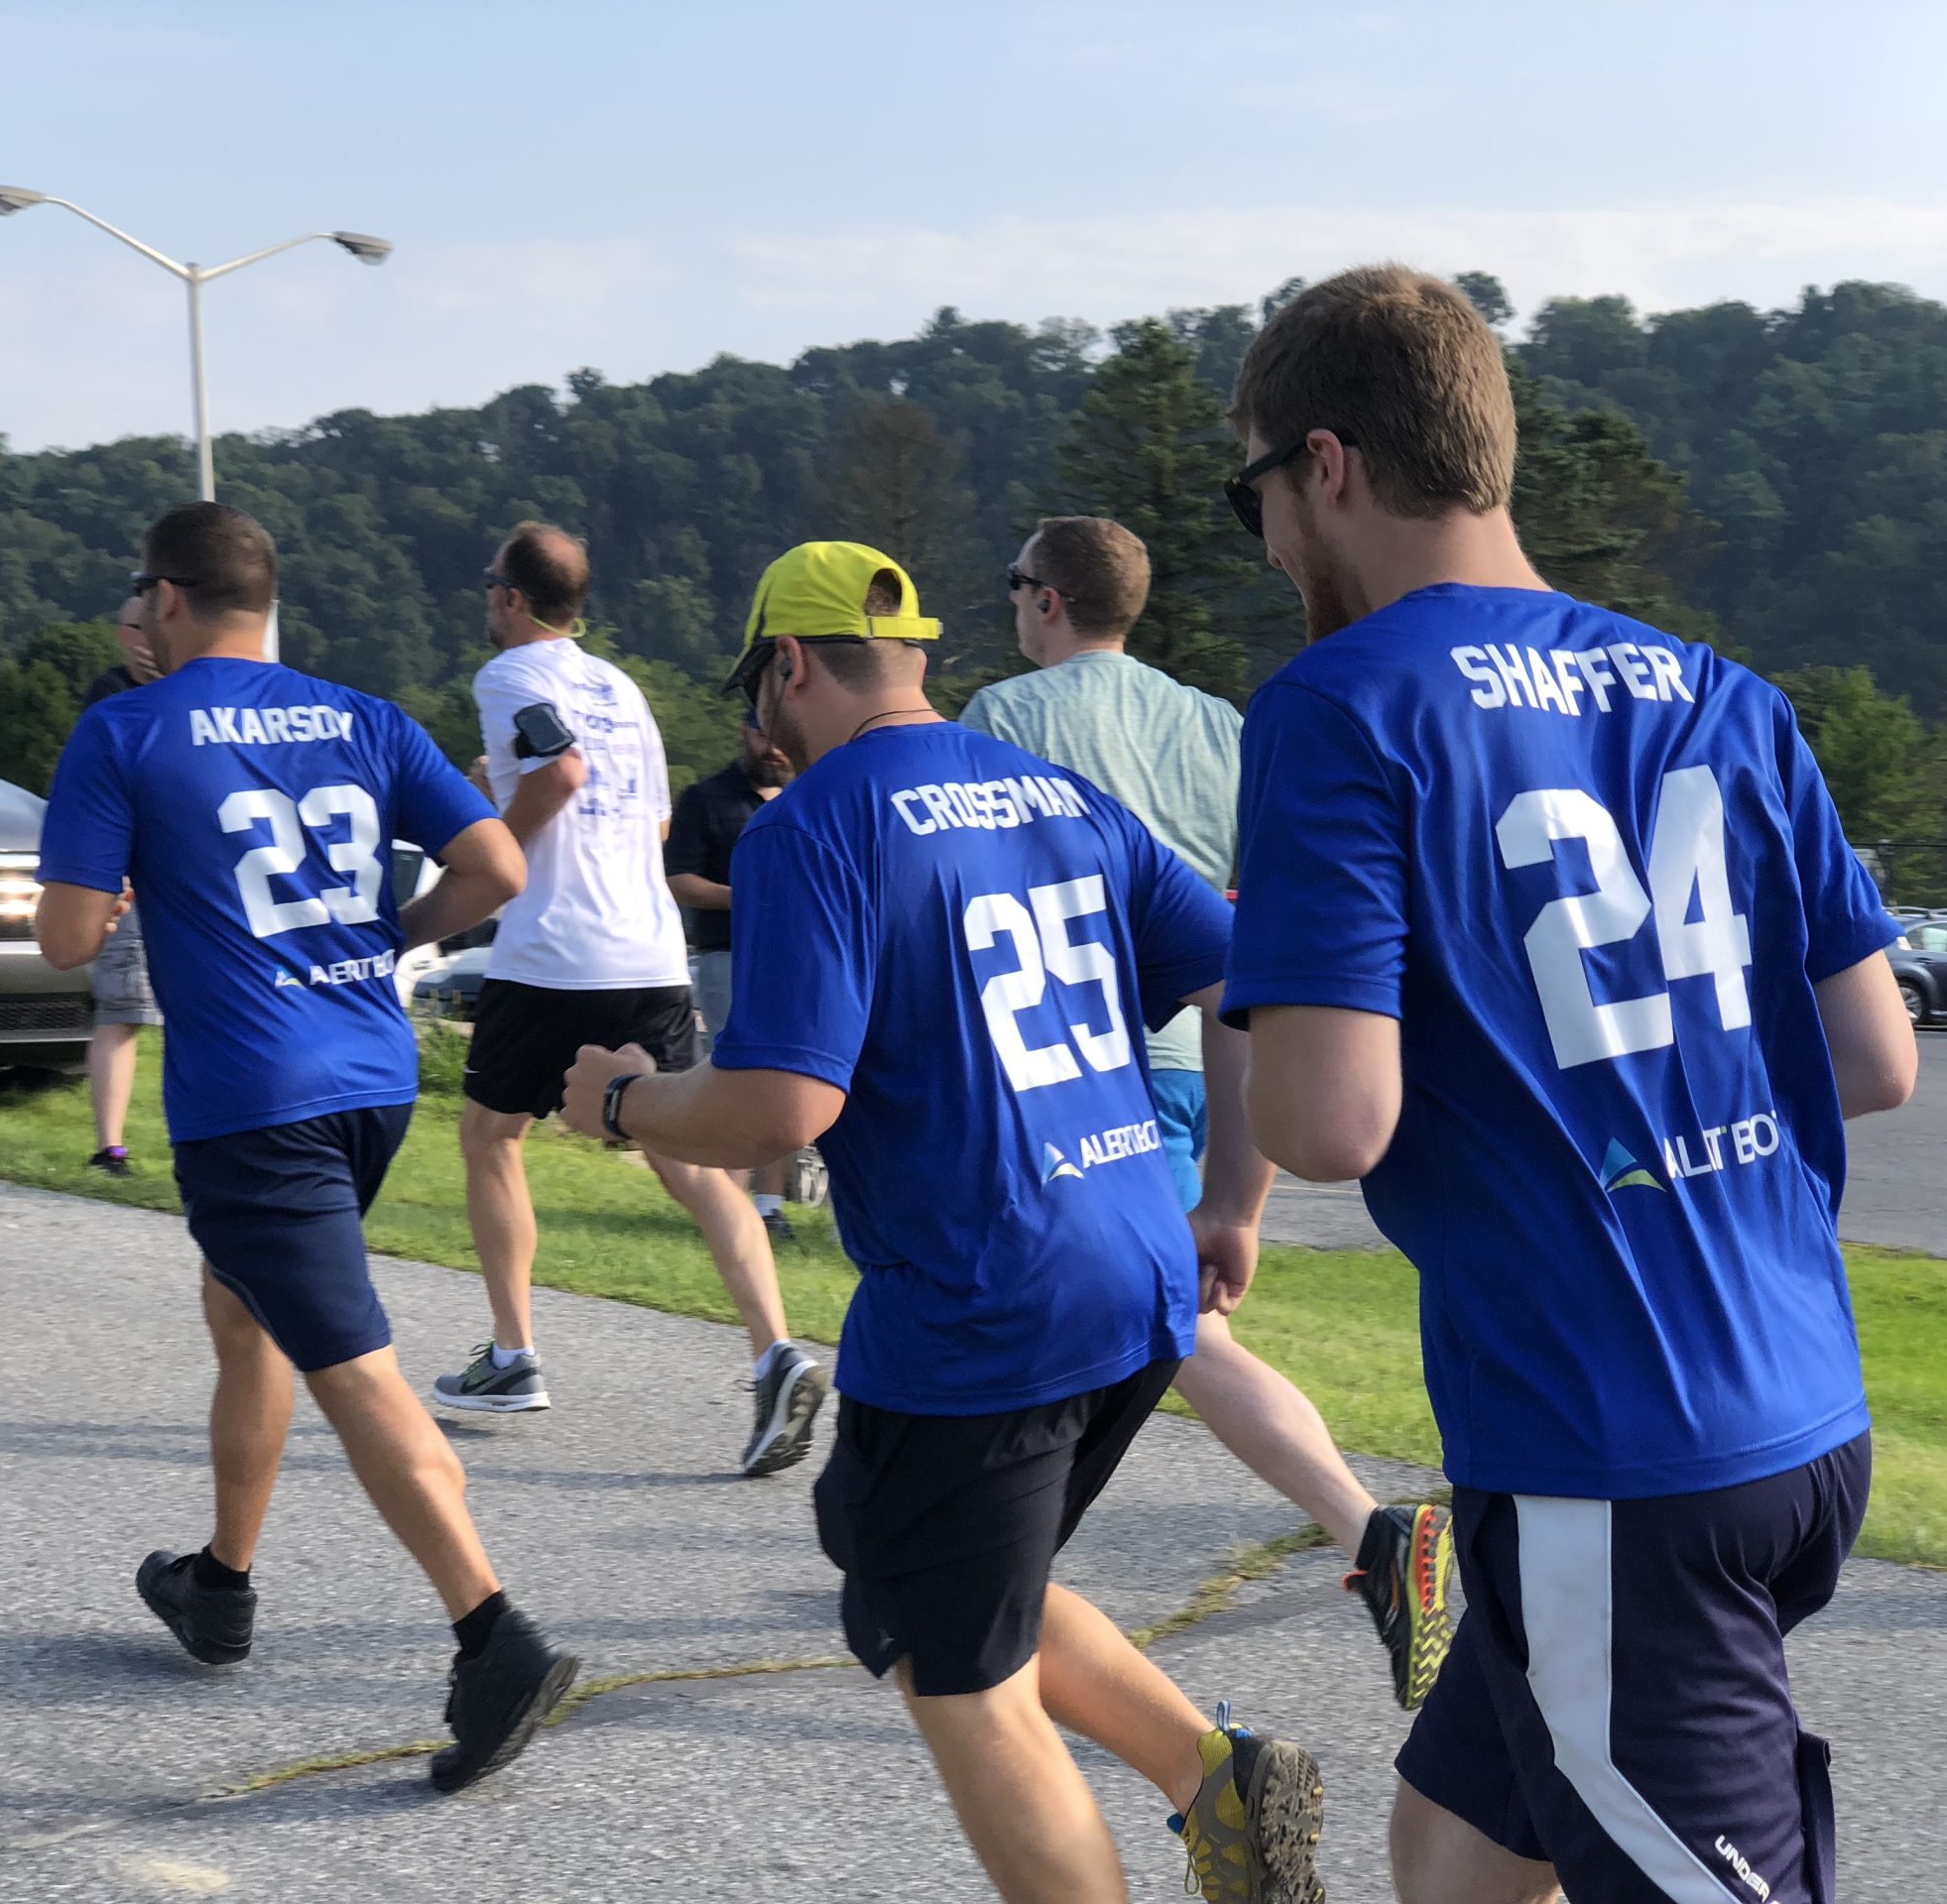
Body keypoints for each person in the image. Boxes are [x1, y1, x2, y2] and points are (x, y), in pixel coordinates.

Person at [1221, 266, 1917, 1904]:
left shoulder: (1340, 704)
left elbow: (1329, 1126)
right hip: (1798, 1413)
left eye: (1246, 487)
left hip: (1614, 1457)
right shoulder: (1723, 694)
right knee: (1455, 1850)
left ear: (1324, 465)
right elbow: (1878, 1058)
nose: (1256, 533)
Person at [558, 541, 1325, 1904]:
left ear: (789, 666)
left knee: (957, 1674)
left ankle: (1211, 1781)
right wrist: (1232, 1202)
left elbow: (782, 1106)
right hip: (1133, 1271)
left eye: (758, 688)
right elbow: (1245, 976)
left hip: (986, 1308)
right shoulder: (1063, 795)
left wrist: (631, 1105)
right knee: (911, 1572)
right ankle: (1219, 1775)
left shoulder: (814, 823)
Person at [33, 501, 576, 1793]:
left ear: (165, 599)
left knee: (350, 1364)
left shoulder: (126, 727)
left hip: (252, 1098)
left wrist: (103, 882)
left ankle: (490, 1631)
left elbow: (64, 941)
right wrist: (388, 938)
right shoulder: (363, 716)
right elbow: (497, 864)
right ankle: (221, 1582)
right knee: (245, 1310)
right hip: (371, 1075)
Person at [963, 513, 1455, 1712]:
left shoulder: (1002, 722)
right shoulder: (1215, 725)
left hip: (1071, 1056)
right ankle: (1361, 1535)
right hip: (1202, 1049)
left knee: (1117, 1321)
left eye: (1014, 583)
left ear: (1045, 600)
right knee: (1169, 1319)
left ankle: (991, 1585)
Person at [434, 523, 824, 1478]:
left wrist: (498, 835)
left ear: (515, 601)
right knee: (686, 1156)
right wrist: (515, 793)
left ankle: (514, 1355)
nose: (487, 601)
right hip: (649, 947)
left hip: (556, 949)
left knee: (492, 1137)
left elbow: (560, 770)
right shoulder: (623, 688)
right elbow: (638, 813)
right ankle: (774, 1353)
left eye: (491, 586)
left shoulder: (510, 676)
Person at [663, 708, 796, 1241]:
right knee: (737, 1074)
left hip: (798, 957)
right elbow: (679, 879)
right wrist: (750, 900)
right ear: (745, 731)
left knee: (788, 1080)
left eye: (781, 737)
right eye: (764, 735)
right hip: (729, 955)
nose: (774, 749)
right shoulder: (707, 798)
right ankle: (727, 1203)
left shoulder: (809, 793)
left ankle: (770, 1207)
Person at [80, 590, 164, 1178]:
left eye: (154, 625)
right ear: (122, 633)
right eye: (136, 627)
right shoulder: (109, 696)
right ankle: (109, 1146)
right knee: (124, 1007)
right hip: (130, 877)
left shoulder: (193, 685)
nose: (145, 639)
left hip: (191, 877)